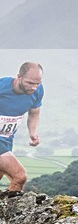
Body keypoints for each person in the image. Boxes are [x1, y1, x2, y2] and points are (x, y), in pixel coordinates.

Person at [0, 62, 44, 198]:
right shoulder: (2, 86)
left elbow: (34, 113)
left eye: (37, 83)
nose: (34, 87)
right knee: (19, 176)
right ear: (19, 77)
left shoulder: (38, 91)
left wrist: (33, 132)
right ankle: (11, 216)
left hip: (7, 140)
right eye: (30, 83)